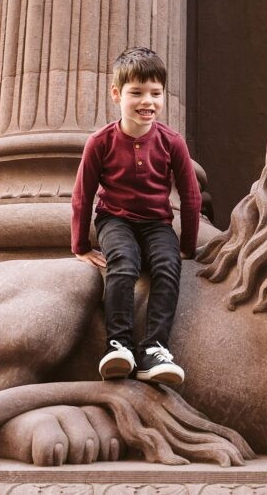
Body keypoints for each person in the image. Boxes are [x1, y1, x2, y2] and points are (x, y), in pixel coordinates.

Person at [71, 47, 201, 385]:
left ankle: (155, 348)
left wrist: (187, 245)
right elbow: (83, 194)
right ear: (117, 94)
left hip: (158, 222)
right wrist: (80, 246)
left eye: (155, 93)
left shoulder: (172, 142)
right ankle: (119, 344)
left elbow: (190, 196)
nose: (148, 101)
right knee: (124, 264)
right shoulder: (100, 142)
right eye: (137, 93)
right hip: (115, 219)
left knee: (167, 265)